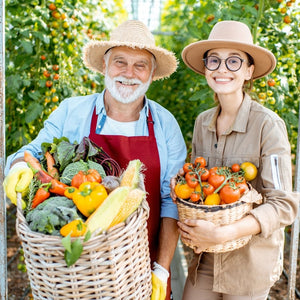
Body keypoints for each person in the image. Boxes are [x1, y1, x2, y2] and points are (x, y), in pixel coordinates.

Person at [4, 20, 187, 300]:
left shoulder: (165, 124)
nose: (129, 73)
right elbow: (34, 150)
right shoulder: (71, 112)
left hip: (140, 269)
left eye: (140, 65)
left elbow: (170, 203)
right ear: (104, 65)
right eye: (120, 62)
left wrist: (161, 270)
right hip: (77, 272)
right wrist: (18, 165)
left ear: (152, 74)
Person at [170, 20, 299, 300]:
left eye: (233, 61)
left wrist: (225, 233)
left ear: (249, 71)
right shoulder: (202, 122)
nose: (222, 69)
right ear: (205, 67)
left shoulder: (268, 125)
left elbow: (284, 205)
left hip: (249, 262)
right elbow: (199, 184)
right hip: (207, 256)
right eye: (214, 60)